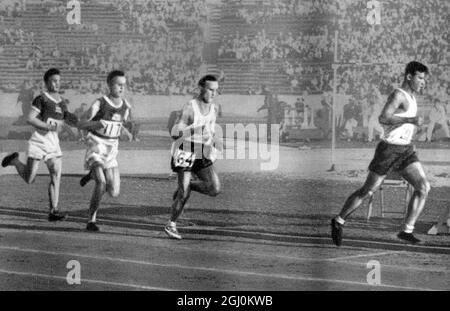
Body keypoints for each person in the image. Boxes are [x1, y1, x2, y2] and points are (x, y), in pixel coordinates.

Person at [331, 61, 430, 245]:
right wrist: (411, 119)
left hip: (406, 150)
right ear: (409, 76)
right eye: (420, 78)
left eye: (425, 79)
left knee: (423, 187)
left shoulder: (413, 97)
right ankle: (339, 220)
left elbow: (404, 123)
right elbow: (383, 118)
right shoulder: (398, 95)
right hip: (389, 150)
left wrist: (413, 127)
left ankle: (406, 231)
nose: (423, 82)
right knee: (367, 191)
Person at [1, 68, 78, 221]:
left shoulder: (62, 102)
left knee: (56, 175)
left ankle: (53, 211)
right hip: (38, 141)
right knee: (30, 178)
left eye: (58, 81)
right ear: (46, 82)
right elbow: (30, 118)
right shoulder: (41, 99)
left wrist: (75, 129)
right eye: (53, 81)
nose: (56, 84)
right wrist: (49, 127)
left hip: (53, 143)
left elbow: (64, 121)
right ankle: (15, 161)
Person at [166, 75, 222, 240]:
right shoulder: (190, 108)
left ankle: (188, 185)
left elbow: (210, 130)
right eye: (210, 89)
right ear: (201, 88)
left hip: (202, 152)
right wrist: (194, 130)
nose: (214, 93)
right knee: (183, 194)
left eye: (216, 90)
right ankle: (171, 224)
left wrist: (215, 141)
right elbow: (176, 133)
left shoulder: (215, 108)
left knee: (214, 188)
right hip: (185, 150)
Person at [77, 70, 131, 231]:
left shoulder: (126, 106)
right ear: (109, 85)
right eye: (118, 84)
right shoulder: (100, 103)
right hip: (96, 146)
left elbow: (120, 125)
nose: (121, 88)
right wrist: (96, 124)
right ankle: (91, 221)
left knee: (114, 191)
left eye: (124, 85)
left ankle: (91, 175)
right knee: (101, 183)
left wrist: (125, 132)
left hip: (111, 151)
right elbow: (80, 124)